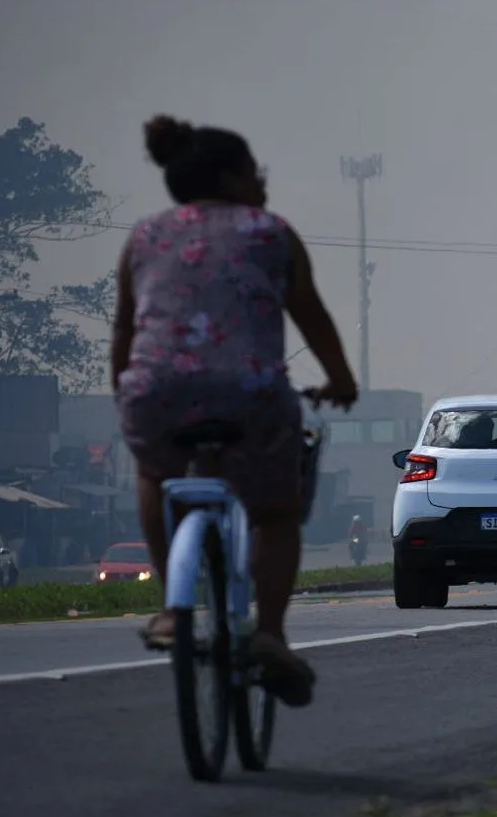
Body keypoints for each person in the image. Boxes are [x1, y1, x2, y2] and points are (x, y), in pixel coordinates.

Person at [110, 114, 358, 708]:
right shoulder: (271, 232)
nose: (263, 183)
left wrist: (127, 391)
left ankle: (172, 610)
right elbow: (312, 316)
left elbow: (124, 329)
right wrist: (340, 378)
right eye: (256, 172)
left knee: (155, 474)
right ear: (232, 177)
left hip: (158, 392)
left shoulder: (144, 236)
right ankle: (269, 634)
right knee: (274, 512)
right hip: (251, 395)